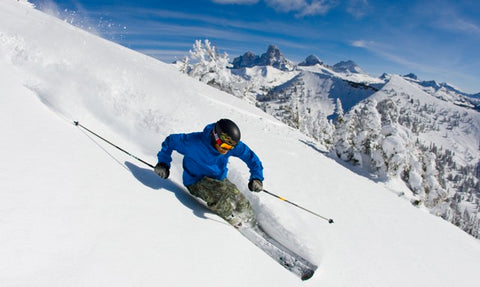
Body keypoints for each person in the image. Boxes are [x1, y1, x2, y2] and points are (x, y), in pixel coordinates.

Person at [154, 118, 264, 227]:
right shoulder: (194, 142)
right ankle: (231, 218)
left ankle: (250, 220)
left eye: (230, 148)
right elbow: (171, 141)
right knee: (220, 197)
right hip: (196, 181)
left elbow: (250, 157)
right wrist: (163, 163)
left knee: (240, 199)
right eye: (225, 146)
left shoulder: (229, 143)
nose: (226, 150)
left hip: (219, 180)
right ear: (216, 137)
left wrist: (257, 177)